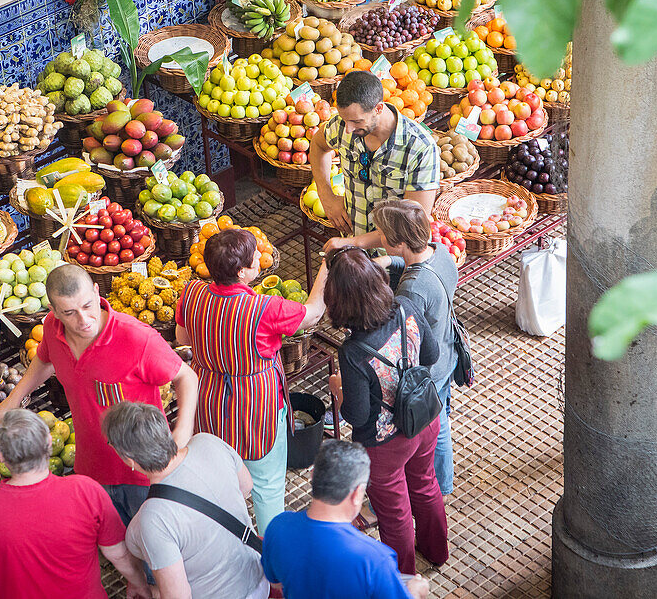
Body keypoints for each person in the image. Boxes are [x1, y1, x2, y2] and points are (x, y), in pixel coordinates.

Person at [0, 263, 198, 525]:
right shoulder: (52, 327)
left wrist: (181, 437)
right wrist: (11, 401)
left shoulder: (136, 338)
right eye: (70, 312)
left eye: (87, 306)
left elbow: (186, 376)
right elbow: (43, 360)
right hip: (90, 468)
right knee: (115, 546)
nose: (83, 321)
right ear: (53, 311)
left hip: (143, 473)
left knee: (156, 553)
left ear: (97, 293)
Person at [175, 227, 328, 534]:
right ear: (243, 271)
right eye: (254, 255)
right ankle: (273, 560)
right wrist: (326, 268)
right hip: (257, 405)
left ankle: (226, 538)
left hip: (210, 401)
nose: (260, 254)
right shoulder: (264, 309)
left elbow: (183, 339)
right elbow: (312, 315)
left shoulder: (191, 293)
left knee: (219, 477)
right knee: (267, 485)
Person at [324, 246, 449, 574]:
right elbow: (432, 355)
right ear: (378, 281)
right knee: (425, 482)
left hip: (385, 445)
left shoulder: (352, 352)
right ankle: (437, 552)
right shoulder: (406, 306)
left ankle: (403, 581)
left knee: (395, 515)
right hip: (425, 418)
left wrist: (338, 392)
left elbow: (359, 415)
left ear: (338, 300)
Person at [0, 409, 150, 599]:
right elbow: (119, 554)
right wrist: (139, 585)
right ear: (49, 444)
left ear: (2, 456)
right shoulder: (85, 491)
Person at [336, 198, 460, 496]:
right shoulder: (440, 251)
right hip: (448, 345)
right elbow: (416, 261)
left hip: (430, 366)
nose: (379, 237)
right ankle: (437, 484)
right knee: (439, 418)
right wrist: (390, 262)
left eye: (382, 234)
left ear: (399, 242)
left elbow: (404, 337)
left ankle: (440, 486)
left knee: (436, 424)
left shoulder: (411, 291)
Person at [103, 401, 270, 599]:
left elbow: (177, 596)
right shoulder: (208, 441)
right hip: (261, 577)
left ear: (129, 460)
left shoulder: (152, 518)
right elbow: (246, 486)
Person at [262, 440, 430, 599]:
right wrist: (413, 592)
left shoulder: (278, 527)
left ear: (313, 476)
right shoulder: (375, 560)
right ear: (357, 494)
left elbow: (274, 582)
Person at [309, 70, 440, 244]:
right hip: (356, 253)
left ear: (378, 108)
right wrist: (326, 195)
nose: (348, 129)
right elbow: (317, 145)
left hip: (398, 260)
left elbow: (413, 225)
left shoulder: (420, 148)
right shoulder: (342, 125)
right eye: (345, 119)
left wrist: (354, 243)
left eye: (356, 121)